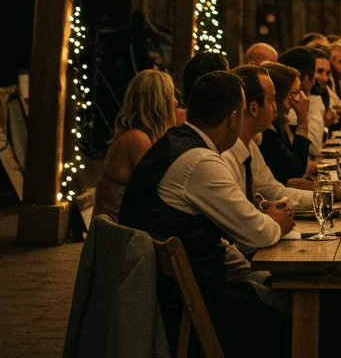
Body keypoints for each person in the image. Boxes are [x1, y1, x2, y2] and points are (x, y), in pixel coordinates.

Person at [118, 70, 293, 358]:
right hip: (190, 307)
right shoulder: (201, 162)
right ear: (234, 119)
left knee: (280, 293)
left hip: (167, 295)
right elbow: (256, 233)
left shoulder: (174, 141)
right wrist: (276, 223)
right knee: (303, 313)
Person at [224, 65, 314, 221]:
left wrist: (325, 198)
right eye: (271, 100)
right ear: (253, 108)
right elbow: (238, 221)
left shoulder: (249, 144)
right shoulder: (226, 153)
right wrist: (274, 226)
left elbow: (274, 192)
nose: (275, 108)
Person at [95, 69, 177, 221]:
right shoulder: (138, 140)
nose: (176, 102)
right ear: (159, 104)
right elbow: (159, 194)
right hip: (120, 235)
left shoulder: (137, 136)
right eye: (171, 97)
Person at [257, 62, 314, 187]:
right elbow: (294, 170)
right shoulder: (265, 130)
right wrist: (303, 119)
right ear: (280, 95)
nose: (301, 98)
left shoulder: (281, 120)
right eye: (296, 93)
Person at [279, 45, 326, 155]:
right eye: (318, 72)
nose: (324, 78)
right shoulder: (288, 108)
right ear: (307, 80)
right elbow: (313, 148)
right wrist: (313, 100)